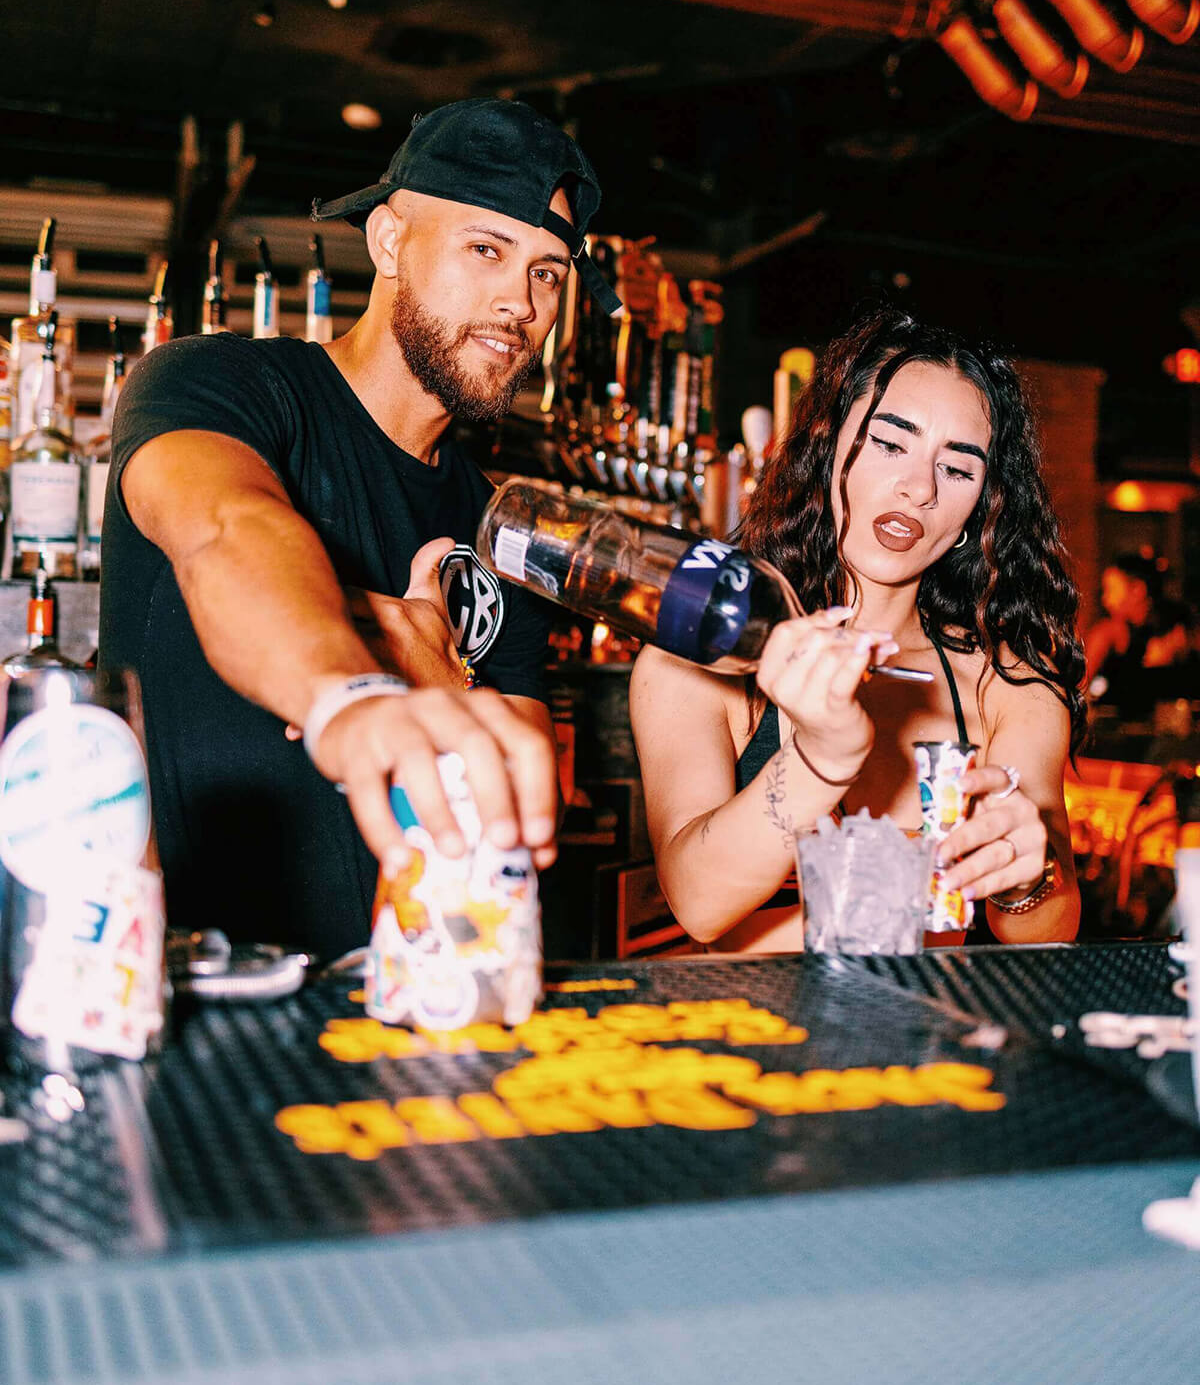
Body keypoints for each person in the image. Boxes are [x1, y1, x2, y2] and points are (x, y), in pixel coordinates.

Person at [100, 99, 622, 960]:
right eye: (485, 249)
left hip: (411, 1006)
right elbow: (228, 527)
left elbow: (527, 806)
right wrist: (357, 684)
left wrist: (436, 676)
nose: (518, 302)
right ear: (388, 241)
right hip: (201, 1003)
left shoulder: (500, 530)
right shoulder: (222, 386)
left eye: (548, 272)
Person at [631, 308, 1085, 952]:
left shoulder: (1008, 684)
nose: (919, 488)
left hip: (929, 1047)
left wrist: (1023, 879)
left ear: (975, 512)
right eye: (890, 443)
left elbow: (1046, 936)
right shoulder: (702, 657)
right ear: (828, 446)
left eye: (957, 469)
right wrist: (822, 755)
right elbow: (699, 901)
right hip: (756, 1045)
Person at [1084, 553, 1190, 716]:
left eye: (1110, 590)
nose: (1106, 600)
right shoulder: (1108, 632)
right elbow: (1081, 685)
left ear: (1138, 589)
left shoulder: (1178, 628)